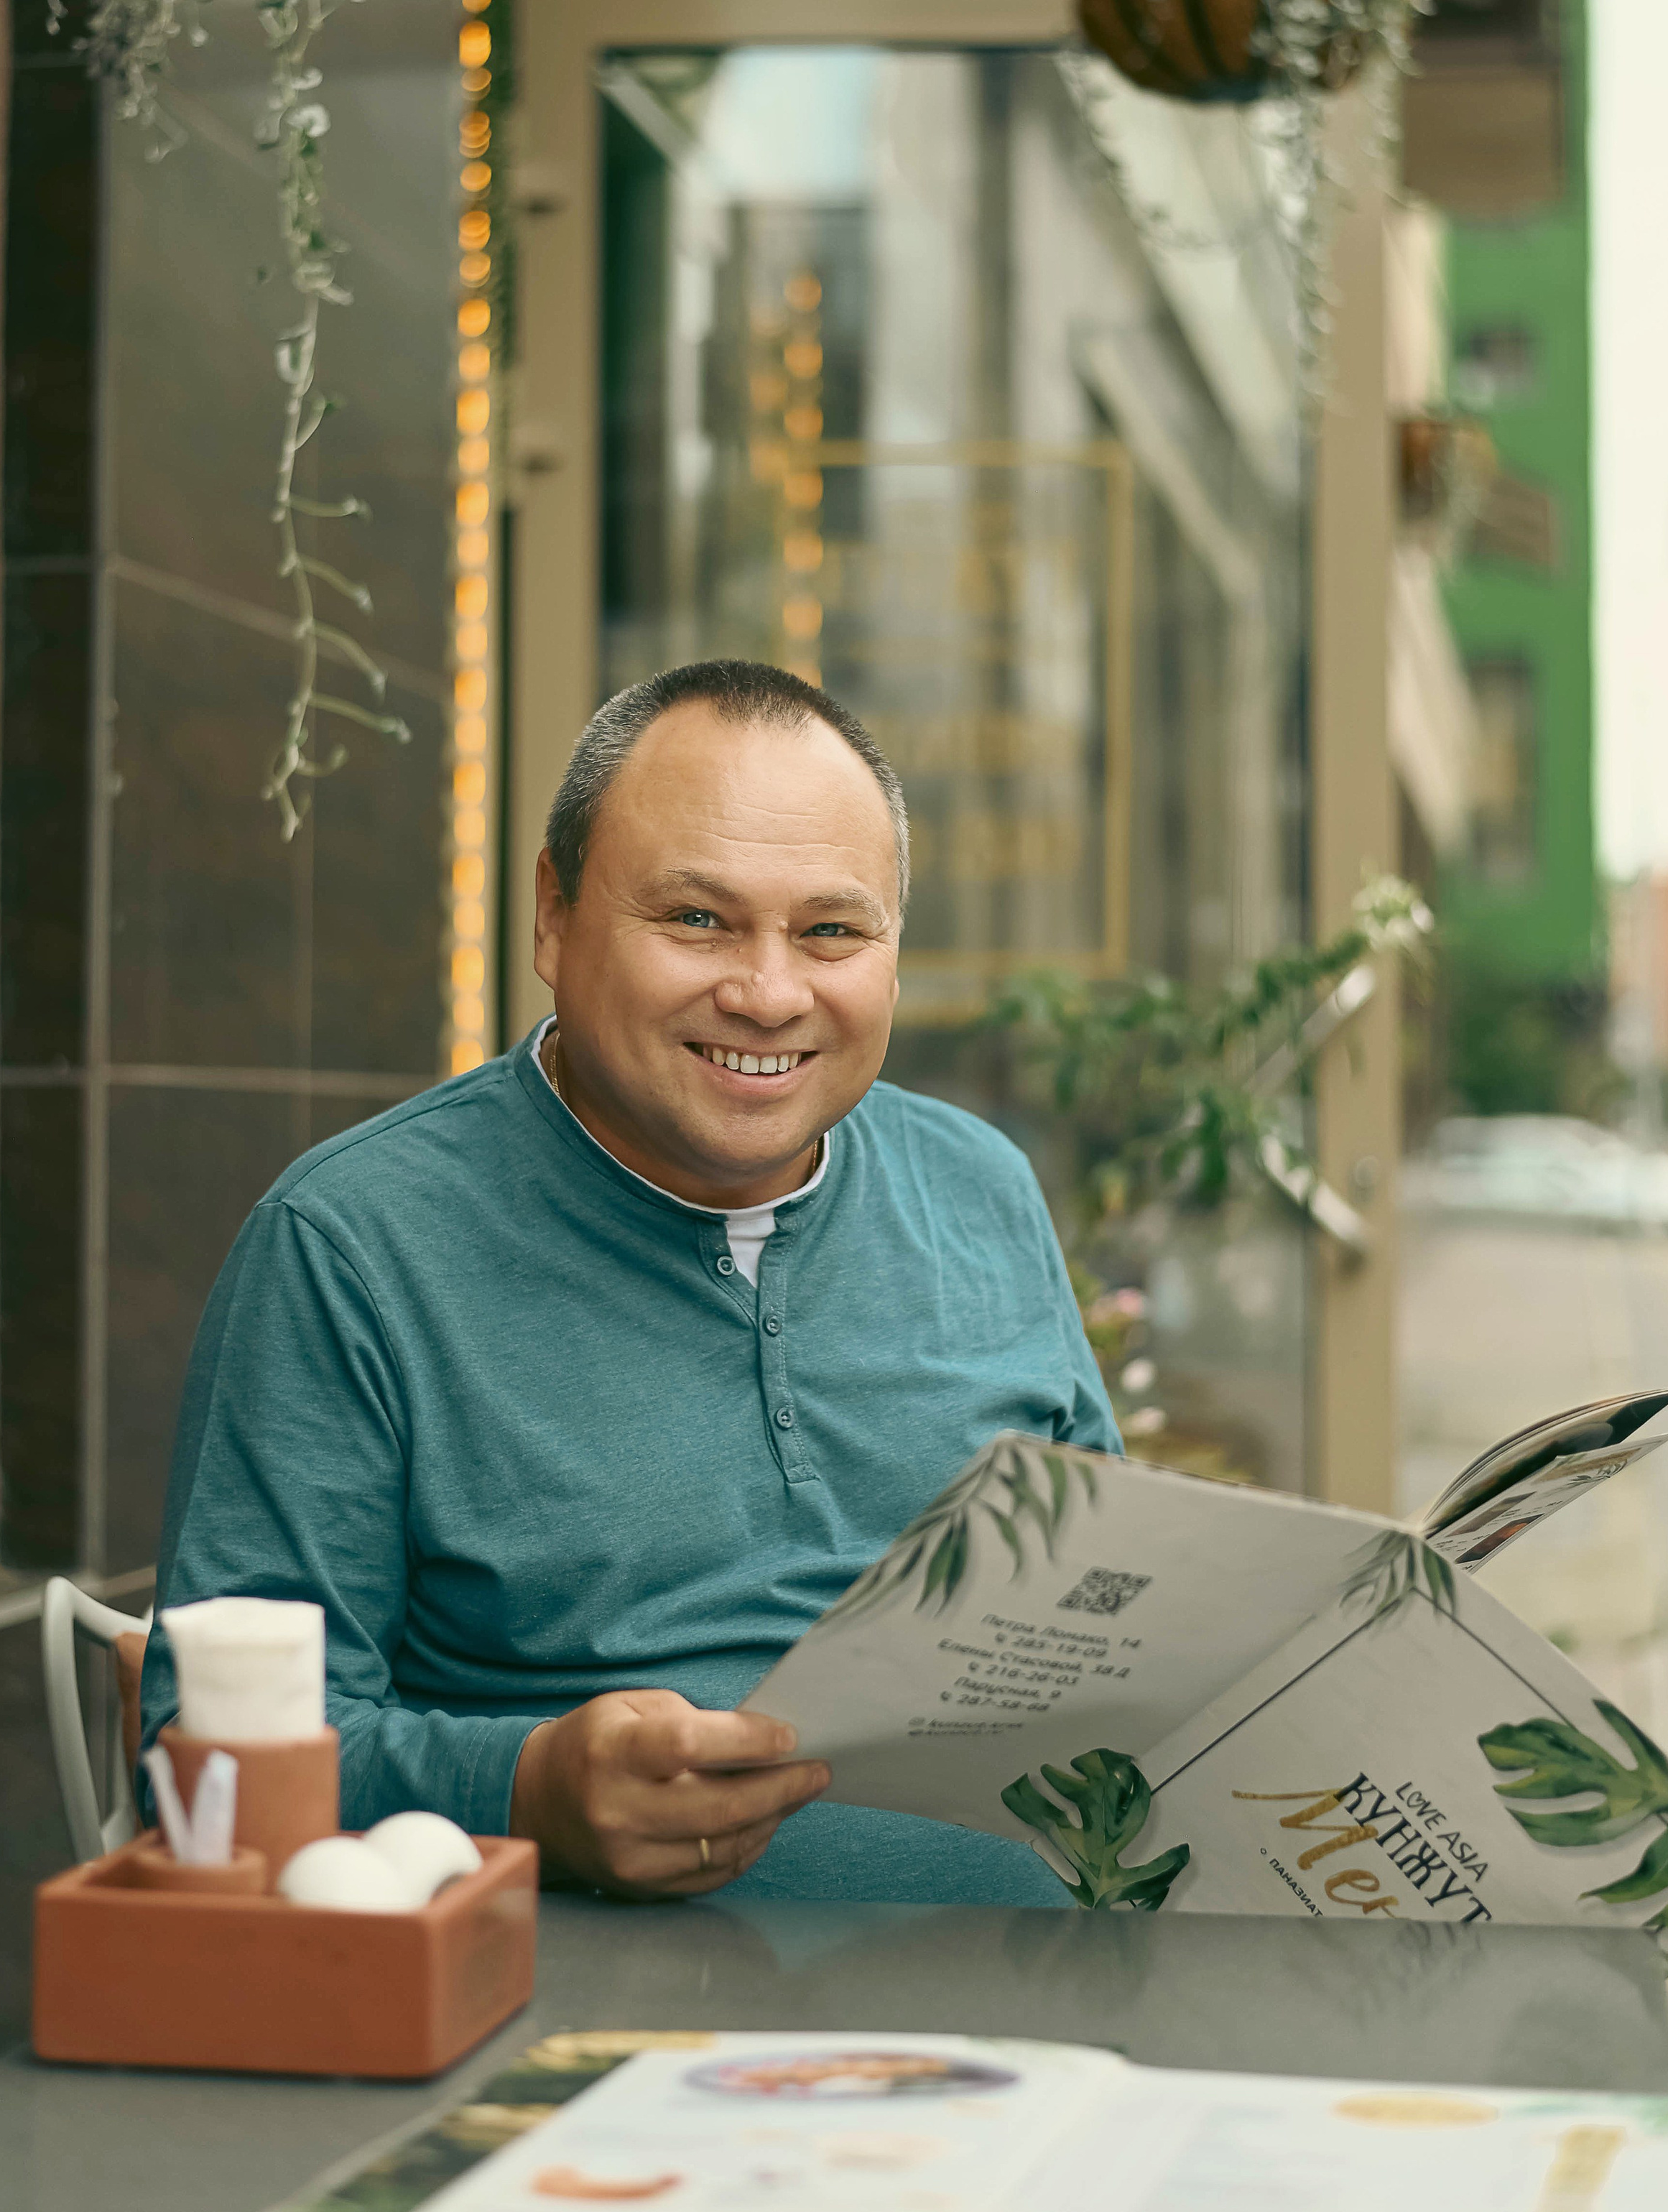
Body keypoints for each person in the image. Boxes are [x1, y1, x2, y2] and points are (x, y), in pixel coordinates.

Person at [143, 661, 1118, 1903]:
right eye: (698, 919)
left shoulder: (981, 1188)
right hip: (585, 2046)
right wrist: (527, 1789)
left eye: (831, 930)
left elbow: (1110, 1611)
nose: (768, 993)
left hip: (1050, 2025)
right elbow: (201, 1762)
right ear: (552, 915)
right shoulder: (354, 1247)